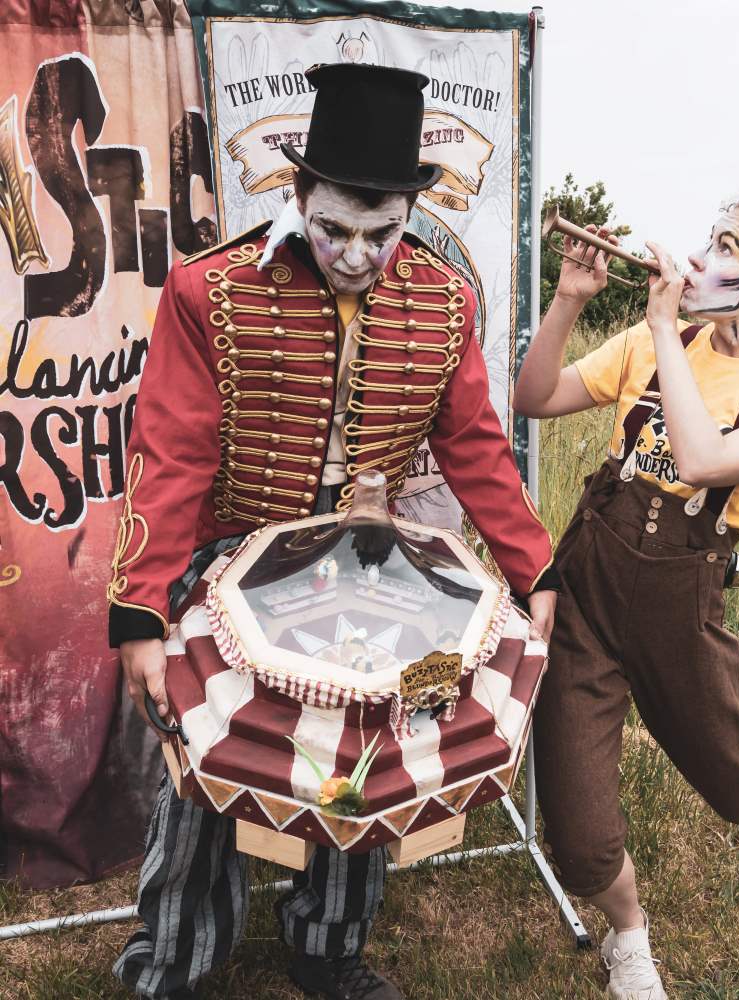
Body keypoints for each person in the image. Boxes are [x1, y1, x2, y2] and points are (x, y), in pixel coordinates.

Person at [109, 63, 558, 1000]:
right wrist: (142, 615)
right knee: (203, 759)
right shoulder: (209, 291)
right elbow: (174, 456)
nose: (358, 254)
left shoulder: (444, 299)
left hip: (369, 562)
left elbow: (475, 445)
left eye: (383, 232)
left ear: (408, 214)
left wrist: (534, 568)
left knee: (376, 750)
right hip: (224, 562)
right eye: (336, 228)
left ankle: (330, 947)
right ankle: (177, 959)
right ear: (299, 193)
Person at [514, 193, 739, 1000]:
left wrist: (667, 328)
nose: (700, 257)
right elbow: (535, 397)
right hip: (591, 581)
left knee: (736, 789)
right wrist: (570, 299)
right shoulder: (649, 340)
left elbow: (703, 462)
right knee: (579, 829)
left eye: (728, 246)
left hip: (684, 594)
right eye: (709, 238)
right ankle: (628, 937)